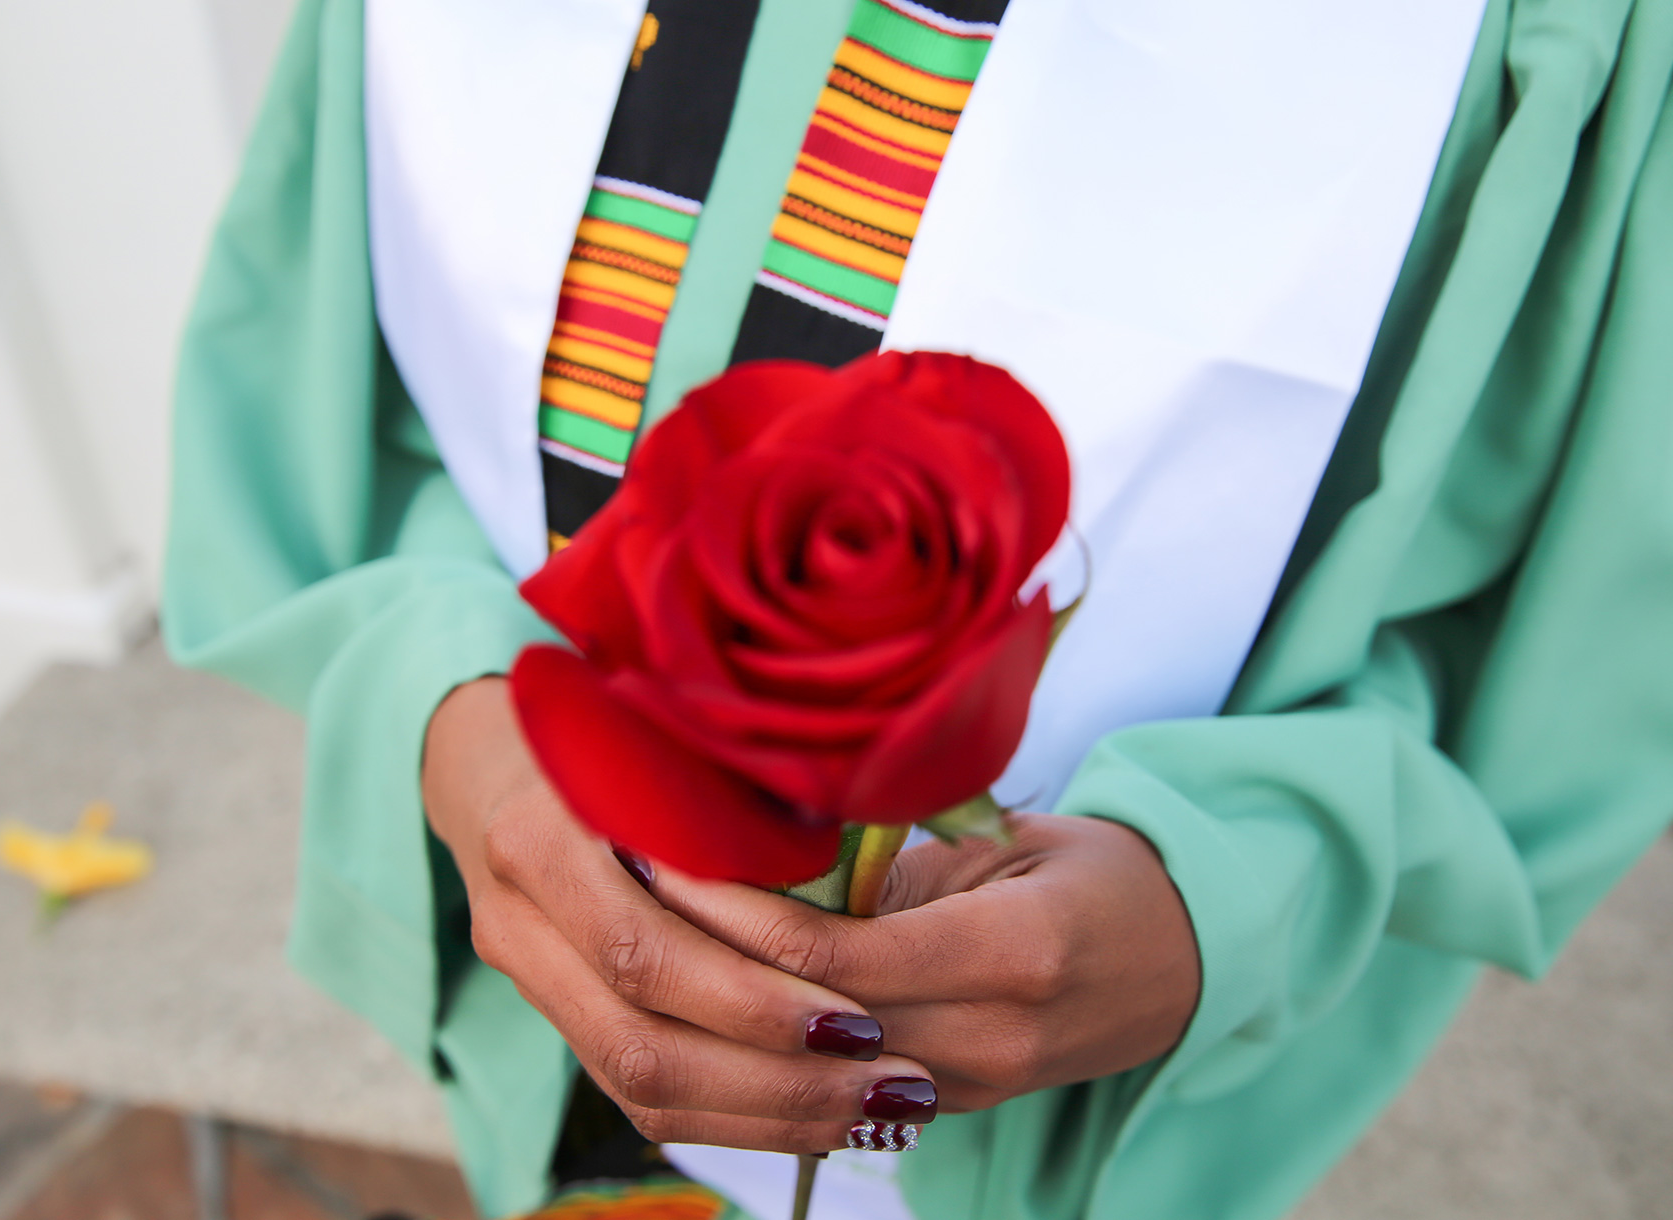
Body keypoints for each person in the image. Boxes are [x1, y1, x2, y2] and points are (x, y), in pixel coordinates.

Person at [164, 0, 1673, 1217]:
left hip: (1050, 1101)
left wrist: (1227, 887)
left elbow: (1562, 638)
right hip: (556, 1019)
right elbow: (348, 403)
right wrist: (453, 705)